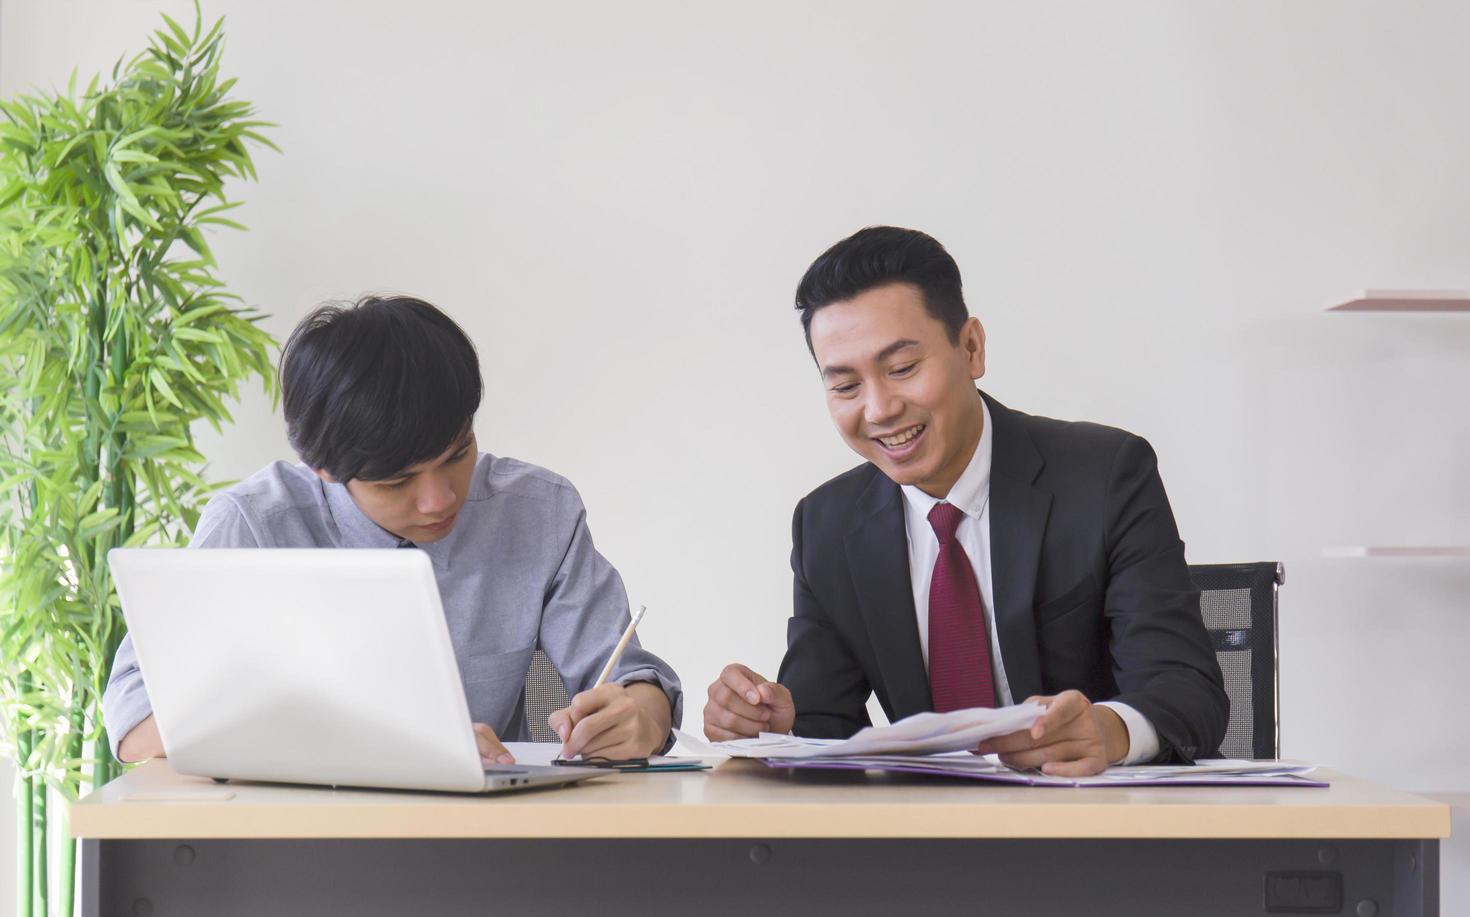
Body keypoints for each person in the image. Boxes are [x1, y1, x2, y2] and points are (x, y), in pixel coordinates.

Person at [704, 227, 1226, 775]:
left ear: (972, 348)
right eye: (845, 386)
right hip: (928, 846)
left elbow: (1188, 690)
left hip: (1093, 827)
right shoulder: (827, 526)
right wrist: (772, 725)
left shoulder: (1104, 476)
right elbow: (825, 729)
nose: (879, 409)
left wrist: (1110, 730)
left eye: (902, 368)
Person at [104, 296, 680, 764]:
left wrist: (643, 716)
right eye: (398, 479)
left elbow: (628, 674)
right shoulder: (254, 526)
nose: (440, 498)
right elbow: (136, 725)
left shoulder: (539, 512)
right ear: (324, 468)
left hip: (492, 847)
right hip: (297, 848)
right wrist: (375, 742)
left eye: (457, 454)